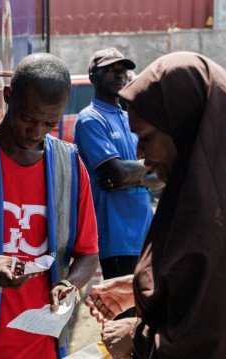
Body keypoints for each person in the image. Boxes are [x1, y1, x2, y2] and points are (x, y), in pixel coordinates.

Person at [84, 52, 226, 358]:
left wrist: (136, 336)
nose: (141, 154)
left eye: (147, 138)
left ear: (186, 127)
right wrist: (146, 287)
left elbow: (215, 338)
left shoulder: (215, 214)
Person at [0, 53, 99, 358]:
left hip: (45, 347)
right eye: (28, 119)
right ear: (8, 97)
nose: (36, 133)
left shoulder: (71, 166)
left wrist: (69, 283)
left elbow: (88, 253)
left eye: (50, 124)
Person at [74, 48, 163, 303]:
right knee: (125, 314)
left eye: (122, 69)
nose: (119, 74)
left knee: (147, 310)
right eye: (110, 69)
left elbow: (162, 176)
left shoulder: (129, 117)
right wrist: (144, 169)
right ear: (93, 76)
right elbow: (116, 171)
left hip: (145, 234)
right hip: (116, 236)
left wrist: (133, 175)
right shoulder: (90, 119)